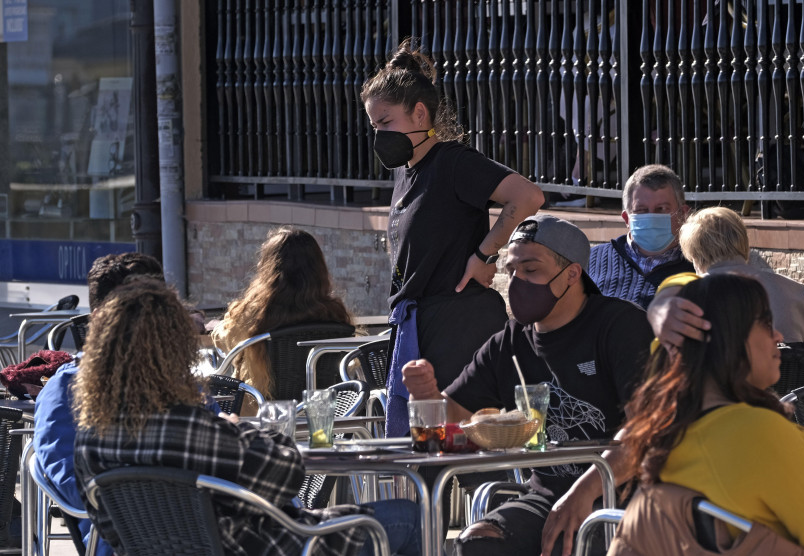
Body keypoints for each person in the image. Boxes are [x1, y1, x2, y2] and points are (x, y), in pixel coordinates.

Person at [71, 278, 420, 556]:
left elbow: (111, 530)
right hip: (280, 545)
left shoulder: (89, 440)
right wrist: (238, 431)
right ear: (172, 352)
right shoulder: (189, 427)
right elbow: (287, 477)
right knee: (408, 517)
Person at [402, 214, 654, 556]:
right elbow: (443, 431)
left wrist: (583, 493)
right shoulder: (510, 342)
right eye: (512, 271)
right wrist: (426, 395)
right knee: (477, 542)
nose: (518, 281)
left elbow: (644, 430)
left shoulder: (619, 325)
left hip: (622, 497)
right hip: (546, 498)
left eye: (531, 270)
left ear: (572, 274)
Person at [616, 273, 804, 555]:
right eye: (765, 324)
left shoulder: (673, 425)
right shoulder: (755, 432)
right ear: (729, 336)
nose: (778, 335)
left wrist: (662, 304)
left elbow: (673, 337)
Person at [361, 38, 545, 436]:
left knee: (463, 444)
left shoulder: (453, 162)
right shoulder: (404, 174)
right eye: (374, 125)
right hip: (420, 324)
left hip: (462, 323)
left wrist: (485, 254)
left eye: (386, 122)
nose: (378, 135)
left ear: (419, 113)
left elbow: (527, 196)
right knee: (428, 446)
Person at [33, 252, 166, 556]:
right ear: (102, 319)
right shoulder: (66, 389)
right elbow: (73, 487)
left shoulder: (180, 383)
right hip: (123, 541)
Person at [212, 226, 354, 399]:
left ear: (267, 268)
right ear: (319, 268)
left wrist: (218, 326)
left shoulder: (251, 314)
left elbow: (224, 341)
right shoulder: (334, 313)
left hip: (262, 410)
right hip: (324, 410)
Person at [678, 206, 804, 343]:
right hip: (788, 374)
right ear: (744, 243)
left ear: (696, 257)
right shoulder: (796, 292)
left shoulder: (685, 300)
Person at [586, 164, 694, 309]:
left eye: (661, 209)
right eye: (641, 210)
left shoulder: (700, 264)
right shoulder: (592, 259)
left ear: (683, 214)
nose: (651, 216)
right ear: (626, 219)